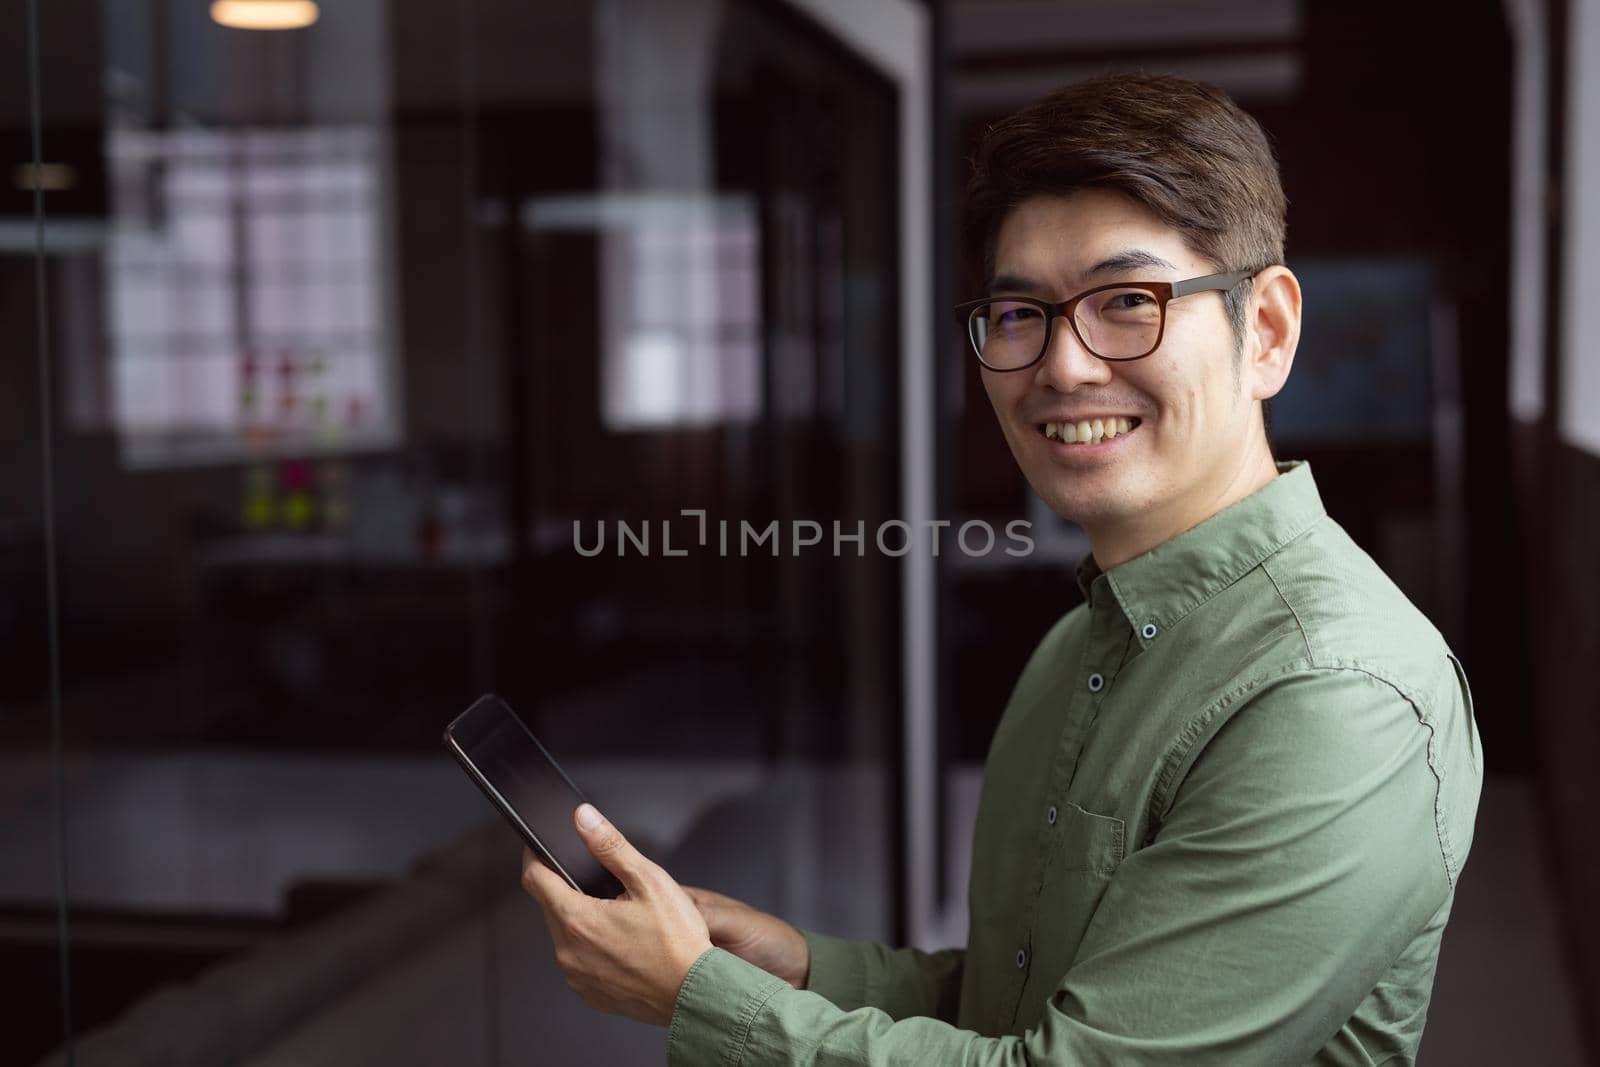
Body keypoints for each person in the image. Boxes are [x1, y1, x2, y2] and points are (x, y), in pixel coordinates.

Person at [519, 72, 1484, 1066]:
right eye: (1020, 313)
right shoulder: (1084, 638)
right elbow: (1030, 995)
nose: (1062, 365)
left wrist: (699, 999)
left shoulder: (1333, 692)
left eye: (1126, 301)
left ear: (1266, 332)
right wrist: (803, 969)